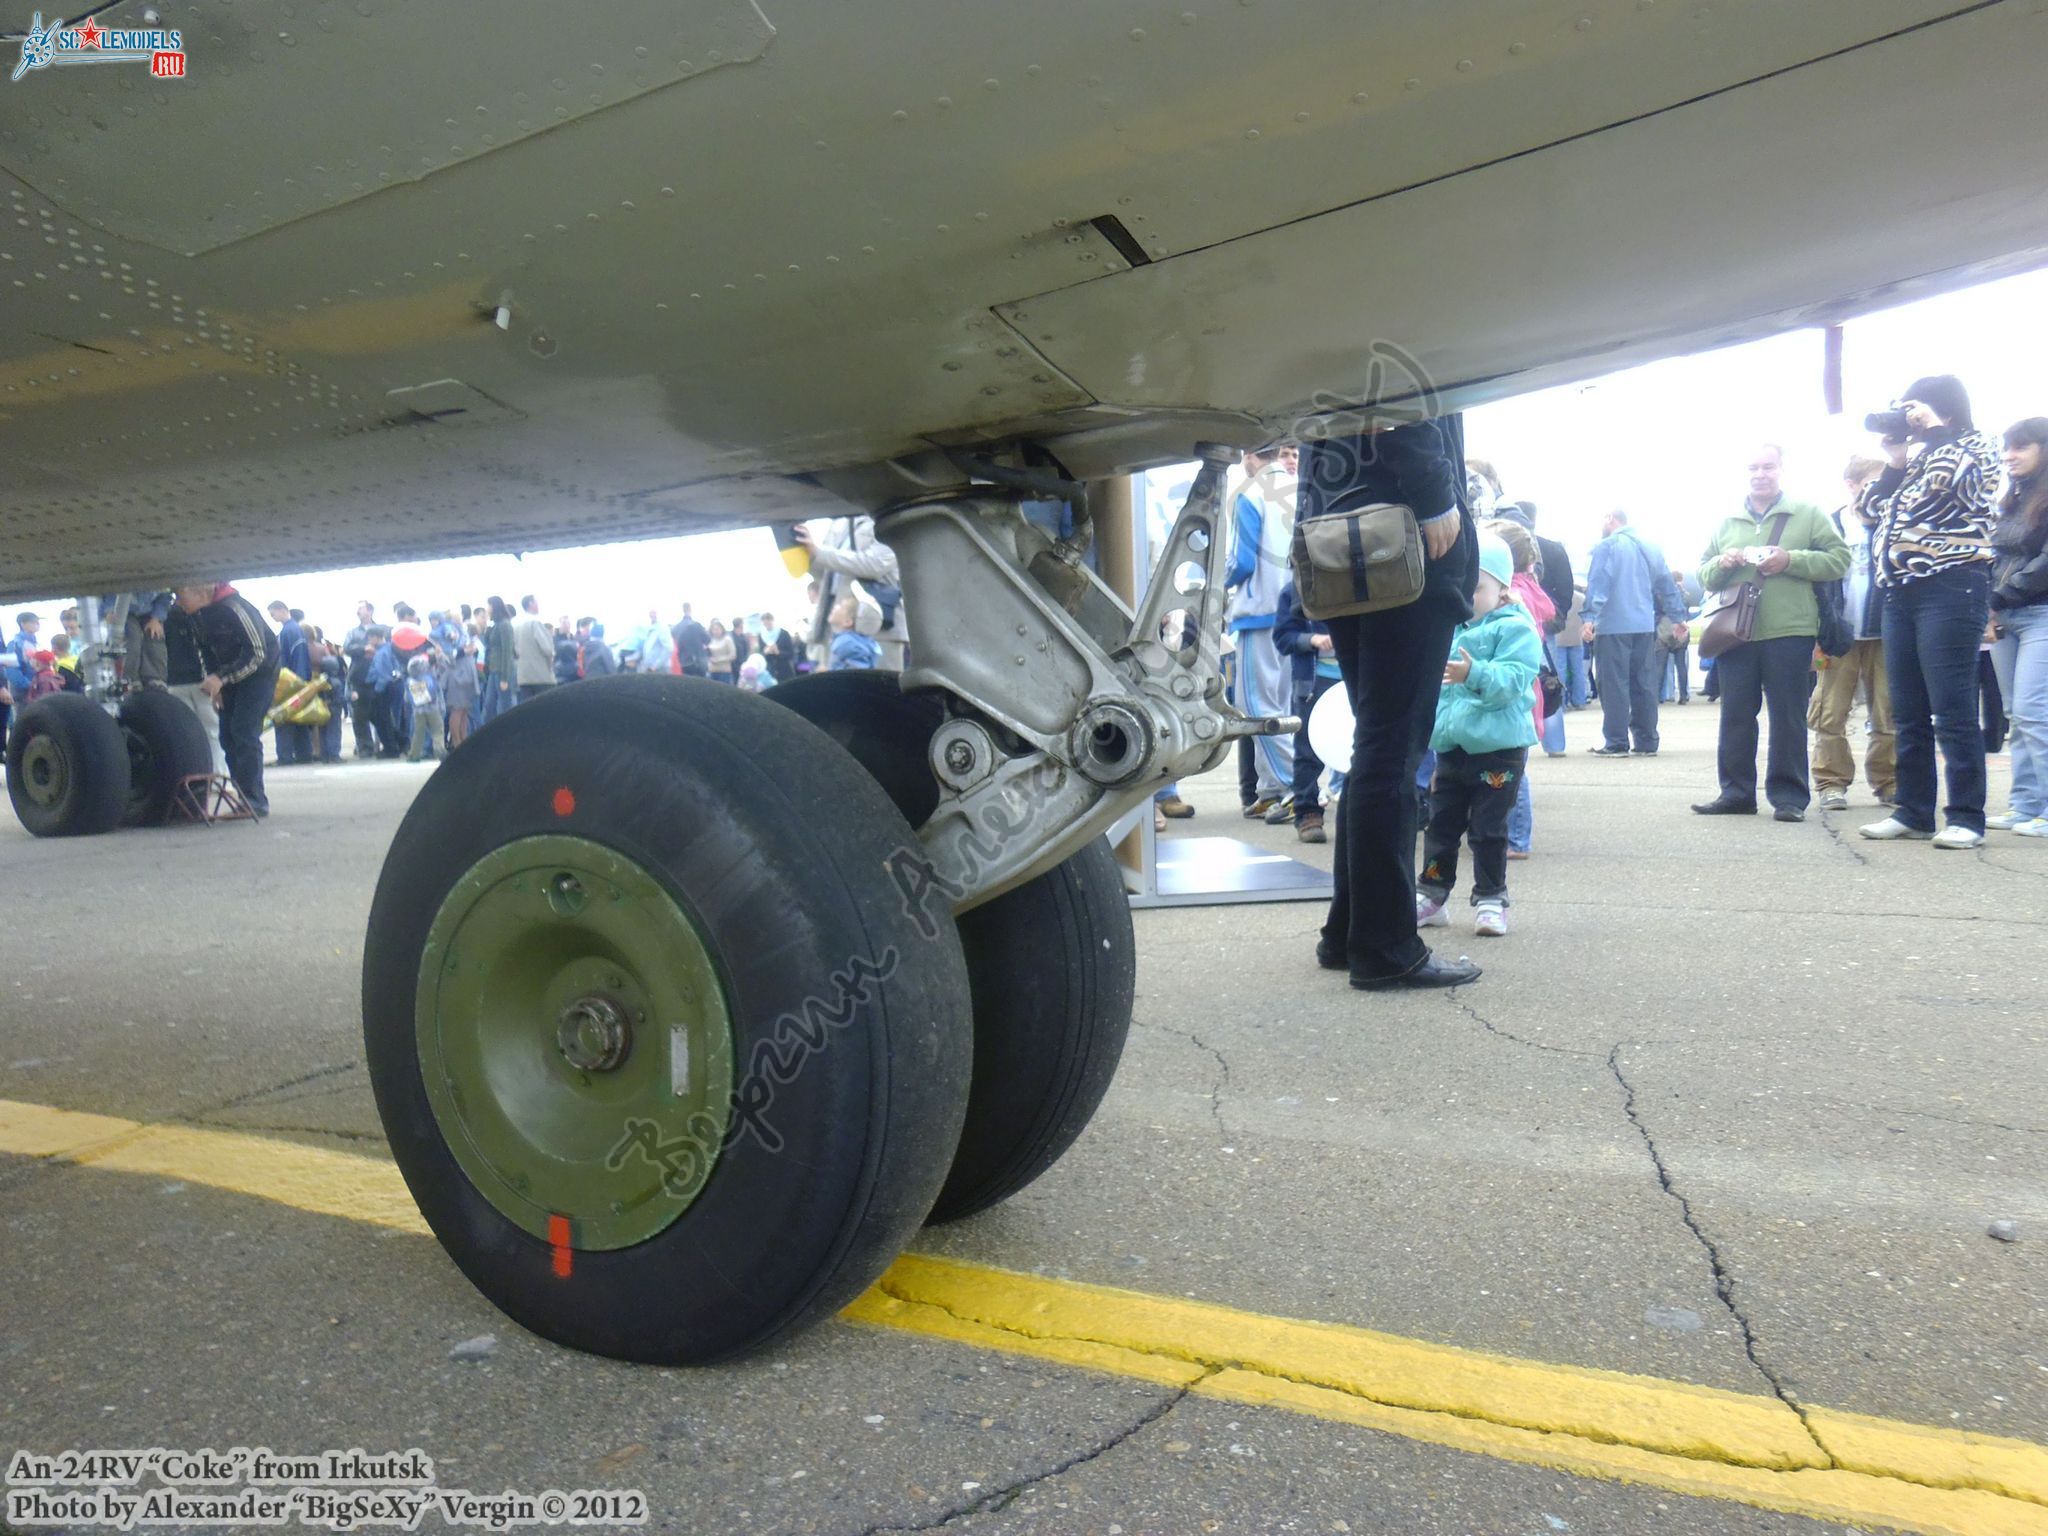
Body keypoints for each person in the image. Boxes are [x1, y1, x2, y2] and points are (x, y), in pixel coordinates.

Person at [1302, 413, 1482, 990]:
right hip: (1398, 536)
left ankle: (1351, 929)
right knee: (1392, 751)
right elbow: (1405, 392)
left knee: (1375, 745)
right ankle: (1385, 945)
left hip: (1340, 535)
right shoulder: (1395, 321)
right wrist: (1435, 495)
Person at [1859, 376, 2002, 848]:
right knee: (1909, 709)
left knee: (1953, 708)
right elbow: (1869, 509)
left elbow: (1957, 484)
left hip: (1952, 585)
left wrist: (1936, 429)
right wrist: (1896, 463)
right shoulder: (1919, 460)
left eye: (1914, 408)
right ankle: (1914, 810)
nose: (1908, 417)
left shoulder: (1976, 447)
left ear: (1943, 408)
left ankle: (1966, 816)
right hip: (1900, 592)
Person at [1692, 445, 1849, 821]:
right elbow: (1702, 574)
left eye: (1767, 466)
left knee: (1788, 715)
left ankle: (1790, 798)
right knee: (1736, 715)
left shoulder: (1807, 514)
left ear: (1781, 469)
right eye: (1753, 467)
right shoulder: (1727, 521)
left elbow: (1839, 560)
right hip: (1736, 633)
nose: (1760, 474)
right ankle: (1736, 794)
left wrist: (1790, 560)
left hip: (1789, 629)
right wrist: (1722, 562)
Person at [1415, 532, 1541, 939]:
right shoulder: (1450, 626)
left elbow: (1515, 681)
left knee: (1488, 830)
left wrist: (1475, 674)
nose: (1466, 595)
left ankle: (1491, 897)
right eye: (1461, 585)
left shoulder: (1516, 628)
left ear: (1503, 589)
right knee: (1441, 825)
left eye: (1478, 587)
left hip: (1498, 750)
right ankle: (1432, 894)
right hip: (1452, 747)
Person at [1810, 454, 1896, 811]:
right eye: (1872, 483)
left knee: (1888, 711)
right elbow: (1816, 580)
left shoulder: (1892, 520)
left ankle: (1889, 782)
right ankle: (1831, 781)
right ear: (1851, 484)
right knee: (1830, 711)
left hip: (1884, 630)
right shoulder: (1828, 525)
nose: (1879, 491)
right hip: (1839, 632)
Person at [1223, 444, 1299, 819]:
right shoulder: (1300, 489)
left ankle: (1292, 785)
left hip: (1260, 611)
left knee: (1255, 705)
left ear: (1249, 456)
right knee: (1284, 703)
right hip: (1297, 611)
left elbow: (1241, 561)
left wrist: (1211, 580)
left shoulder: (1251, 494)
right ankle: (1272, 787)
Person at [1987, 417, 2048, 836]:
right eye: (2006, 448)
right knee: (2015, 714)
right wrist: (1987, 607)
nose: (2009, 455)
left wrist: (1997, 598)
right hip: (2003, 616)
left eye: (2020, 447)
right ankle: (2025, 806)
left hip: (2040, 612)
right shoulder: (2012, 498)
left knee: (2034, 713)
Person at [1581, 511, 1682, 757]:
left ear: (1608, 519)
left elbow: (1599, 582)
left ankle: (1616, 742)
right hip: (1644, 625)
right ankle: (1647, 741)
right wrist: (1678, 617)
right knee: (1644, 683)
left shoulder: (1608, 545)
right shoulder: (1652, 547)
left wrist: (1589, 618)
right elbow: (1667, 585)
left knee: (1614, 684)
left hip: (1614, 625)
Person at [175, 582, 280, 816]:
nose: (178, 602)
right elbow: (204, 651)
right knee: (226, 736)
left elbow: (257, 653)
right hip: (227, 678)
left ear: (200, 591)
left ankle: (255, 800)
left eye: (180, 595)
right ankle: (243, 796)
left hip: (258, 676)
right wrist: (216, 684)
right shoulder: (196, 615)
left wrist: (222, 678)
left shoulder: (236, 608)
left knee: (244, 733)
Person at [1487, 519, 1554, 858]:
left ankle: (1516, 838)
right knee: (1512, 763)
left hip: (1516, 690)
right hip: (1525, 689)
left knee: (1514, 766)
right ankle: (1510, 834)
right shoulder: (1528, 586)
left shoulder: (1512, 592)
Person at [1272, 579, 1340, 844]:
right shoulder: (1292, 591)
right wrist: (1311, 639)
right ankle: (1307, 811)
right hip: (1313, 683)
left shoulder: (1357, 584)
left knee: (1358, 748)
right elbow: (1282, 637)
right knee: (1307, 751)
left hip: (1354, 681)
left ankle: (1356, 814)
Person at [799, 515, 909, 671]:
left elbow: (874, 564)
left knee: (880, 691)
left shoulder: (889, 517)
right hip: (840, 628)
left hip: (880, 628)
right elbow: (824, 572)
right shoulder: (839, 524)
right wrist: (803, 549)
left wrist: (820, 553)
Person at [267, 600, 314, 768]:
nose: (272, 618)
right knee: (298, 719)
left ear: (281, 610)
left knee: (284, 719)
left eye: (273, 614)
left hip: (290, 681)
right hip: (296, 680)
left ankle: (285, 756)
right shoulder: (293, 630)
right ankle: (304, 754)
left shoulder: (289, 631)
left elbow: (297, 656)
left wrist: (297, 681)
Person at [480, 596, 518, 723]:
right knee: (489, 705)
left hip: (502, 671)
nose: (487, 609)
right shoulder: (496, 625)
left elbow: (508, 652)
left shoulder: (505, 625)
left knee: (504, 707)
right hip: (494, 671)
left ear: (494, 606)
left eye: (489, 605)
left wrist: (505, 678)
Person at [514, 598, 556, 701]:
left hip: (523, 676)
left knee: (528, 710)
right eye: (536, 602)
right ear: (530, 604)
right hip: (541, 676)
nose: (538, 605)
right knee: (545, 709)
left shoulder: (516, 625)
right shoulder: (535, 623)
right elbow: (547, 649)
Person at [404, 654, 443, 763]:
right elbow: (435, 691)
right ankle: (439, 750)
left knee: (418, 733)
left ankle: (414, 755)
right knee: (437, 730)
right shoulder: (429, 677)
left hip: (417, 711)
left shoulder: (409, 681)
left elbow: (407, 698)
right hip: (432, 709)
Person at [442, 635, 479, 750]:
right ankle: (456, 741)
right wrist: (464, 650)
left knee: (465, 711)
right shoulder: (446, 635)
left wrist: (473, 650)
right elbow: (448, 655)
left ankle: (463, 739)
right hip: (456, 679)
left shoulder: (463, 633)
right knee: (457, 710)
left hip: (468, 678)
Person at [827, 596, 880, 670]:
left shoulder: (846, 643)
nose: (835, 606)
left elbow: (855, 674)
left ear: (847, 622)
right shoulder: (858, 641)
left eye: (841, 607)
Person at [6, 611, 42, 702]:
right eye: (33, 622)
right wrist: (29, 685)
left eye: (38, 622)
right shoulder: (15, 644)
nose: (37, 624)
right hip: (23, 693)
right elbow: (12, 670)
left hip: (37, 690)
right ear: (23, 624)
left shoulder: (36, 644)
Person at [757, 611, 798, 684]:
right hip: (769, 671)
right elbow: (761, 655)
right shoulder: (761, 635)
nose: (767, 625)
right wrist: (765, 652)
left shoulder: (783, 633)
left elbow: (791, 654)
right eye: (764, 623)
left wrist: (778, 652)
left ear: (772, 621)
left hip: (784, 670)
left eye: (768, 622)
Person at [672, 603, 710, 678]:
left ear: (682, 610)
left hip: (684, 661)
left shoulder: (676, 628)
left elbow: (676, 645)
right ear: (690, 609)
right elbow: (708, 640)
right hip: (699, 661)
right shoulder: (697, 626)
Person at [636, 609, 676, 678]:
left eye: (654, 613)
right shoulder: (649, 629)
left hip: (660, 669)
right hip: (649, 669)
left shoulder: (662, 628)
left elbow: (669, 648)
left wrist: (655, 666)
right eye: (651, 613)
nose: (652, 615)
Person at [706, 619, 737, 683]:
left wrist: (719, 660)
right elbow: (707, 653)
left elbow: (733, 655)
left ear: (722, 629)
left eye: (717, 629)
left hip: (724, 671)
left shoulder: (727, 640)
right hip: (712, 670)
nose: (716, 631)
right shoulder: (710, 640)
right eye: (714, 629)